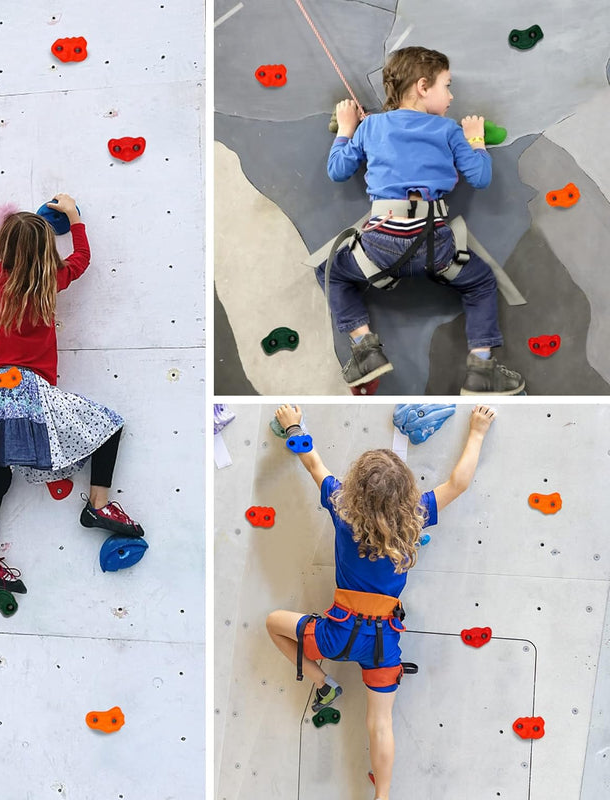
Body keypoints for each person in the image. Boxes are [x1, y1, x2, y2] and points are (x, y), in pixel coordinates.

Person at [266, 403, 496, 800]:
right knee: (381, 724)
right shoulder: (417, 513)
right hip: (382, 644)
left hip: (336, 634)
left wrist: (294, 426)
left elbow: (313, 464)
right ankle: (383, 796)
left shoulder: (342, 509)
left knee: (273, 622)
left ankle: (323, 684)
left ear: (356, 486)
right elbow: (458, 483)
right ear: (406, 490)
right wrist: (476, 432)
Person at [0, 194, 143, 594]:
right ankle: (98, 504)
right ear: (45, 251)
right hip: (26, 387)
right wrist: (75, 219)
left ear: (5, 248)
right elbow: (82, 259)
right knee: (108, 427)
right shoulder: (49, 280)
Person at [319, 46, 524, 395]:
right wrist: (475, 138)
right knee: (480, 282)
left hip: (378, 247)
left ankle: (365, 349)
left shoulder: (371, 127)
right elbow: (480, 177)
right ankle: (481, 369)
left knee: (332, 272)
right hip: (436, 246)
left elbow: (338, 170)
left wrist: (347, 129)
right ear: (423, 86)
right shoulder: (448, 131)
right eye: (447, 85)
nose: (452, 95)